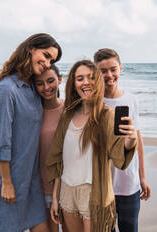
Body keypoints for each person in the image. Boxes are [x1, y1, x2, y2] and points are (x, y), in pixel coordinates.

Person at [0, 33, 62, 232]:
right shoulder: (7, 89)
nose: (46, 63)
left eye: (51, 60)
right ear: (30, 48)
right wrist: (7, 183)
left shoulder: (32, 87)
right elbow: (3, 139)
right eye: (45, 55)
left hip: (31, 175)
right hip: (10, 174)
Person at [46, 59, 138, 232]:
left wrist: (131, 140)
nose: (86, 82)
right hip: (66, 191)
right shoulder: (67, 115)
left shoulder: (107, 116)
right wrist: (55, 197)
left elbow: (119, 155)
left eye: (91, 77)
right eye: (80, 78)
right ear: (74, 84)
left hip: (93, 194)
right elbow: (59, 160)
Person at [94, 48, 151, 232]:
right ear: (96, 73)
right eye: (103, 71)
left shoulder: (131, 100)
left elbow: (138, 141)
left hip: (128, 183)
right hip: (102, 185)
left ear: (121, 69)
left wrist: (142, 177)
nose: (109, 75)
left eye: (113, 69)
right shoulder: (94, 103)